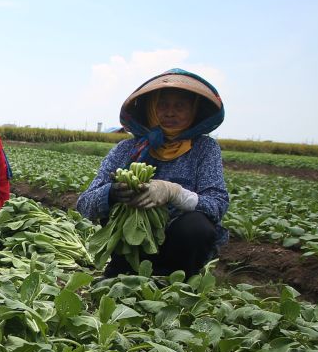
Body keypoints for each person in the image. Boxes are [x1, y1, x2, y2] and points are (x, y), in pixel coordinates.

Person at [76, 69, 229, 278]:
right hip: (130, 247)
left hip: (178, 253)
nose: (170, 112)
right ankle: (124, 270)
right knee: (114, 210)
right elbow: (85, 204)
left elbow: (217, 204)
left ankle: (172, 278)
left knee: (197, 226)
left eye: (180, 106)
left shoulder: (204, 149)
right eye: (163, 104)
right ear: (150, 108)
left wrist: (175, 193)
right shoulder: (126, 149)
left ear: (194, 110)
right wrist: (112, 193)